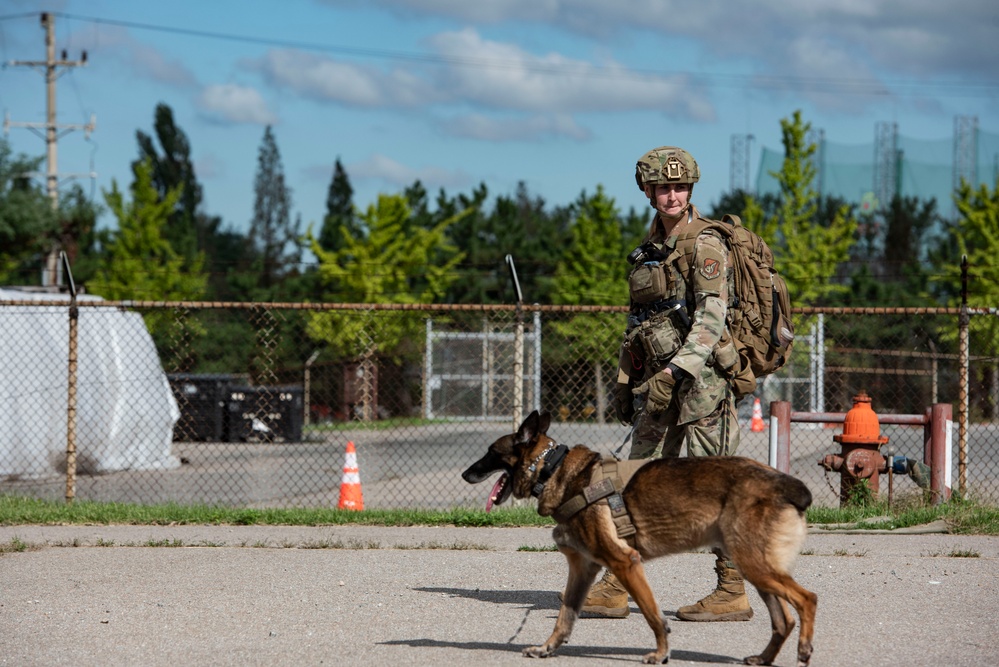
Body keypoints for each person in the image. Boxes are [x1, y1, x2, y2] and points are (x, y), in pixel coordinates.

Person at [580, 146, 751, 622]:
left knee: (713, 486)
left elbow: (711, 320)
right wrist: (624, 381)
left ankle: (732, 591)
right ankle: (618, 581)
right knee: (632, 478)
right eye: (663, 188)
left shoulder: (705, 244)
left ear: (690, 190)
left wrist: (675, 372)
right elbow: (640, 323)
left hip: (702, 387)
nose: (672, 195)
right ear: (648, 191)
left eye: (680, 187)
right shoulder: (649, 249)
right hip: (654, 383)